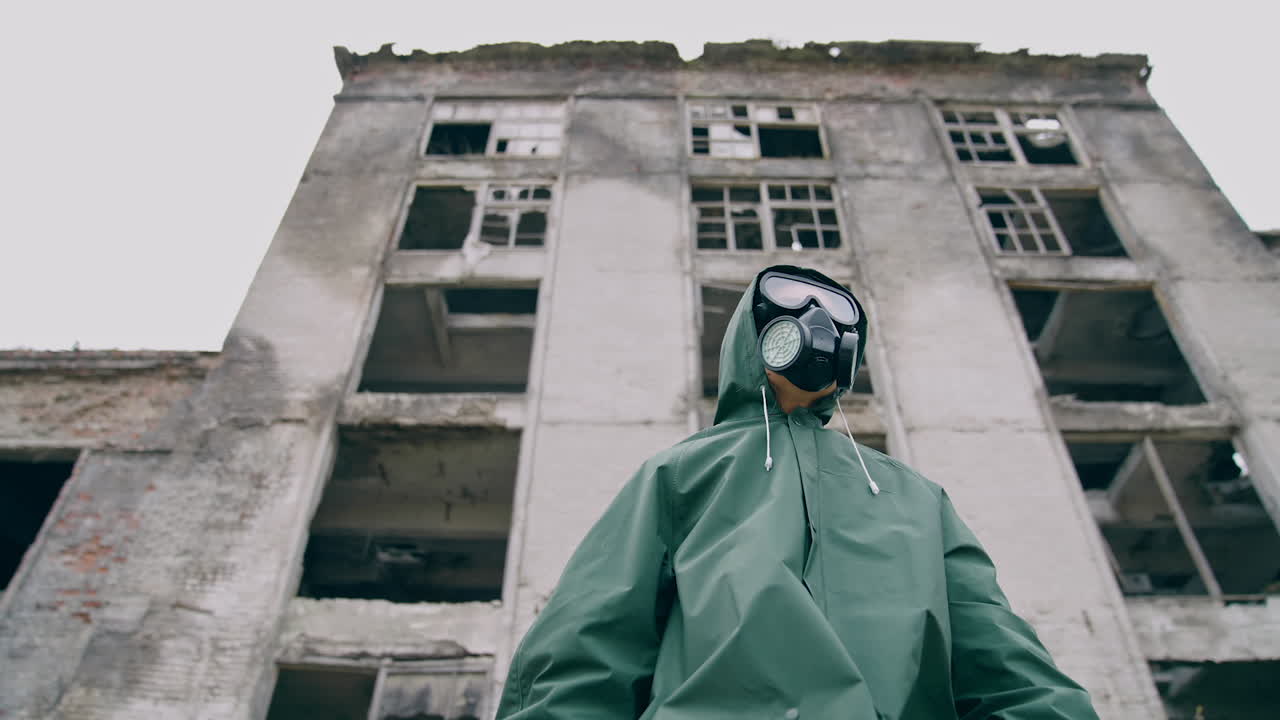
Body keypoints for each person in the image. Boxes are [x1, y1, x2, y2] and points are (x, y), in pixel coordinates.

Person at [495, 265, 1099, 719]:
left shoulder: (916, 498)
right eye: (793, 303)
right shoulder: (682, 473)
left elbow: (1002, 662)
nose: (817, 323)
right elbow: (588, 645)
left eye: (836, 315)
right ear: (751, 335)